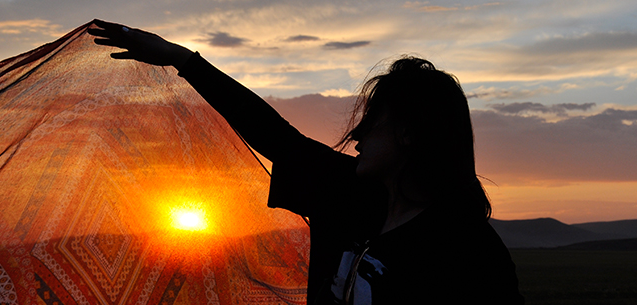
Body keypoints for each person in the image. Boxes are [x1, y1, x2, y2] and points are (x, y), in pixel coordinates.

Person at [89, 20, 524, 305]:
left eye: (372, 122)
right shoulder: (350, 198)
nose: (356, 135)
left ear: (408, 135)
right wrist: (182, 60)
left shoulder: (469, 251)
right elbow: (274, 135)